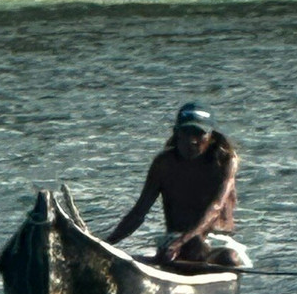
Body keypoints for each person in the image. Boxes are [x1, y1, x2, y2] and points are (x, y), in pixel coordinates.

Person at [106, 103, 247, 267]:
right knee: (185, 249)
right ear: (176, 133)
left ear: (211, 137)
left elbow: (216, 207)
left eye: (199, 134)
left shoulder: (224, 161)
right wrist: (107, 244)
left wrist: (183, 240)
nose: (192, 141)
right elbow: (139, 212)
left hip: (216, 241)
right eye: (186, 132)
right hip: (176, 241)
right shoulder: (164, 163)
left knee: (228, 257)